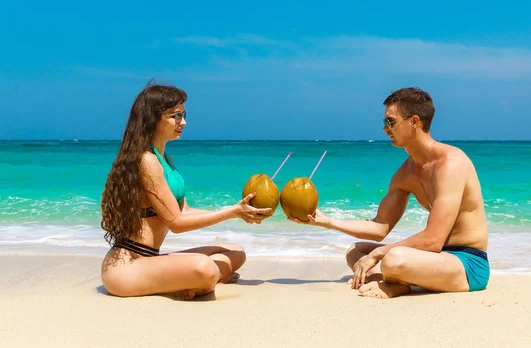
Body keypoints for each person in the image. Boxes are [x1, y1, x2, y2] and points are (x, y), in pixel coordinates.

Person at [289, 87, 489, 298]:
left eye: (390, 122)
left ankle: (396, 281)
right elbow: (379, 227)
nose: (385, 129)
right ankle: (397, 279)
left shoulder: (451, 164)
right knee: (356, 251)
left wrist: (379, 253)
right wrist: (327, 221)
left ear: (413, 122)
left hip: (468, 264)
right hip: (436, 258)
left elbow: (433, 240)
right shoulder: (405, 174)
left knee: (393, 258)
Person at [100, 83, 271, 300]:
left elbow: (185, 211)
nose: (184, 122)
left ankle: (197, 281)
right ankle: (201, 280)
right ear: (153, 118)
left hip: (150, 260)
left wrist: (237, 210)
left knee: (235, 253)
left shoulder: (165, 159)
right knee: (205, 267)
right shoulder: (147, 161)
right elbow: (177, 223)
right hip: (128, 268)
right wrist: (232, 213)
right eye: (176, 116)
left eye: (184, 114)